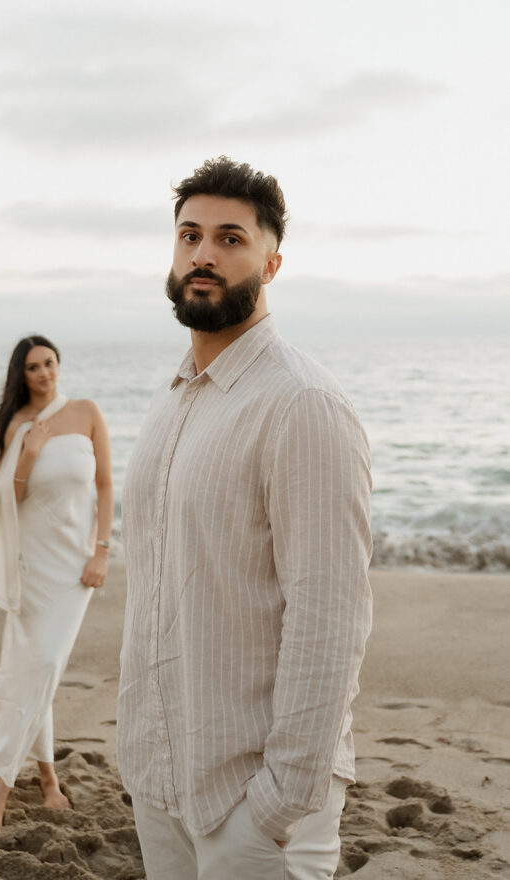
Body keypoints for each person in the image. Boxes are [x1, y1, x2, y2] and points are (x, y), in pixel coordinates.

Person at [117, 157, 372, 879]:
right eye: (189, 235)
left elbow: (330, 614)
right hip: (161, 780)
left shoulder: (301, 405)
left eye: (230, 238)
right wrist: (140, 755)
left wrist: (280, 798)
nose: (203, 254)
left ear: (271, 261)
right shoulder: (172, 401)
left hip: (253, 804)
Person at [0, 334, 113, 834]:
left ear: (59, 365)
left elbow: (105, 486)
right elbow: (1, 501)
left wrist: (102, 551)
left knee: (44, 666)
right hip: (32, 565)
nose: (44, 373)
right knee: (39, 671)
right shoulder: (11, 426)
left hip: (75, 567)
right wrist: (28, 454)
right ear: (21, 374)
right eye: (33, 367)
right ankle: (44, 780)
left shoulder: (85, 412)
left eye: (50, 363)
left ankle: (1, 785)